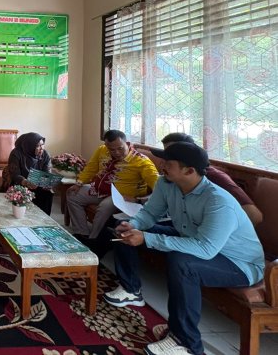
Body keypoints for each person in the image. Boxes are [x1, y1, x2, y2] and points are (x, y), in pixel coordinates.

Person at [103, 142, 264, 355]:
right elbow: (150, 213)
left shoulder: (218, 201)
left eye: (168, 163)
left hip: (238, 263)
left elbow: (205, 248)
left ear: (189, 171)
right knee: (124, 230)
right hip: (193, 239)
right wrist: (133, 225)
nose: (162, 165)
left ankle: (187, 343)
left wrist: (147, 238)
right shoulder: (166, 184)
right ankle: (131, 290)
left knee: (182, 263)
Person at [67, 129, 158, 241]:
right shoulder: (102, 150)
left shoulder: (142, 161)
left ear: (127, 144)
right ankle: (81, 233)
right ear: (106, 146)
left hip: (121, 197)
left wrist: (137, 199)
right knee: (72, 194)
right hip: (100, 189)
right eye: (112, 150)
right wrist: (79, 183)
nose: (117, 153)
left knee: (104, 207)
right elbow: (91, 168)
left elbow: (159, 188)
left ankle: (93, 239)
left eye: (120, 148)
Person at [161, 132, 263, 225]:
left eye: (172, 155)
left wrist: (218, 229)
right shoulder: (172, 175)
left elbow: (254, 216)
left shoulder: (214, 177)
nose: (164, 161)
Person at [2, 132, 53, 214]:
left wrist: (47, 182)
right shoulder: (16, 153)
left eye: (42, 145)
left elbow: (47, 173)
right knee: (21, 193)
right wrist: (26, 182)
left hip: (38, 184)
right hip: (20, 183)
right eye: (38, 146)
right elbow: (15, 174)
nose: (41, 148)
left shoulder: (45, 154)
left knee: (47, 193)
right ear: (30, 146)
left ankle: (43, 218)